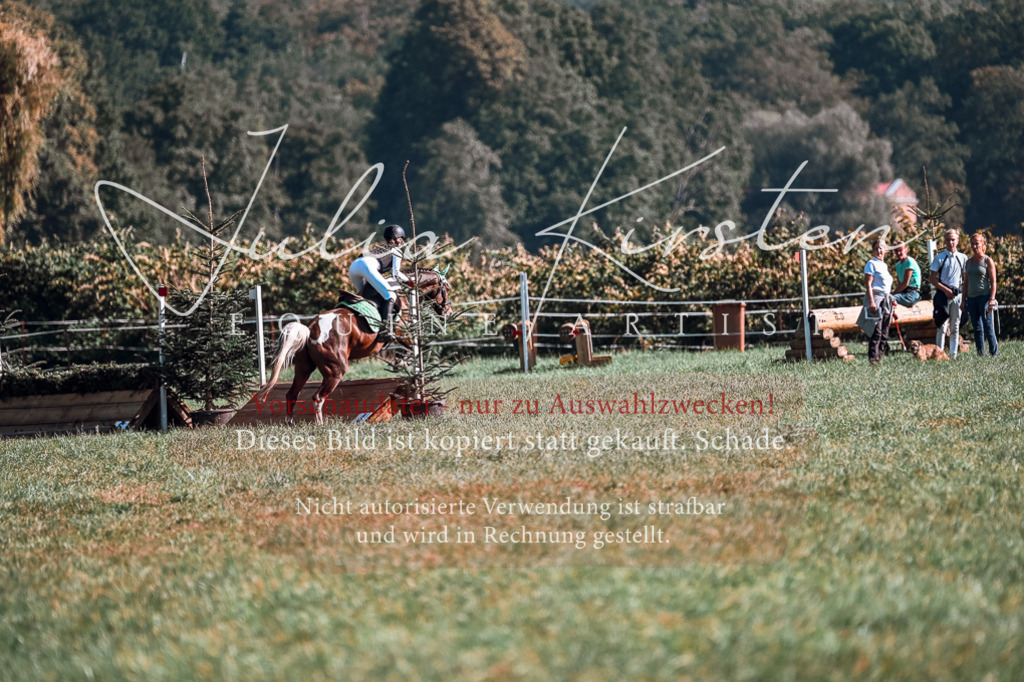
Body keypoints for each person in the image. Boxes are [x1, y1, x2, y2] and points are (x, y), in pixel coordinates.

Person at [348, 224, 409, 337]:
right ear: (396, 239)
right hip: (366, 266)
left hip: (354, 267)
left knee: (362, 297)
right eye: (401, 239)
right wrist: (409, 281)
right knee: (390, 296)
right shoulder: (396, 250)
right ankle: (385, 331)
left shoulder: (380, 248)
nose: (402, 242)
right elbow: (396, 274)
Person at [929, 228, 968, 359]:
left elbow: (965, 279)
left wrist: (963, 295)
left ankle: (953, 354)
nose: (951, 242)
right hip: (943, 296)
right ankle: (939, 354)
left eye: (953, 240)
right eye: (948, 240)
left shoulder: (963, 258)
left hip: (957, 296)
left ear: (957, 241)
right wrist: (946, 290)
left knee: (955, 326)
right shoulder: (939, 258)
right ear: (944, 241)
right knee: (942, 326)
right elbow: (932, 278)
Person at [961, 232, 999, 357]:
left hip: (984, 298)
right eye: (972, 244)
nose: (974, 246)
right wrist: (963, 300)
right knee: (977, 328)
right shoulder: (968, 262)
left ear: (982, 245)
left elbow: (993, 282)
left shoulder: (988, 261)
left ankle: (994, 353)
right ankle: (980, 354)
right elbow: (966, 283)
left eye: (977, 243)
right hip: (971, 298)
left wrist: (992, 298)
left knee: (988, 327)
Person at [864, 238, 894, 365]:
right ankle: (873, 359)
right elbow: (868, 284)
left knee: (885, 331)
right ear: (873, 250)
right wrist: (872, 302)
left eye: (881, 248)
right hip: (876, 298)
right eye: (876, 248)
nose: (879, 251)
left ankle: (879, 358)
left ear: (885, 250)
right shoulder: (871, 264)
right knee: (877, 330)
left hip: (886, 299)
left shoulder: (884, 265)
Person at [891, 240, 921, 308]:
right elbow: (900, 284)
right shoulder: (898, 265)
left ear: (906, 250)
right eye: (896, 251)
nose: (898, 253)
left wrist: (894, 293)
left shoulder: (909, 262)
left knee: (890, 298)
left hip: (912, 293)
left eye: (900, 250)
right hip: (903, 292)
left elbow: (905, 283)